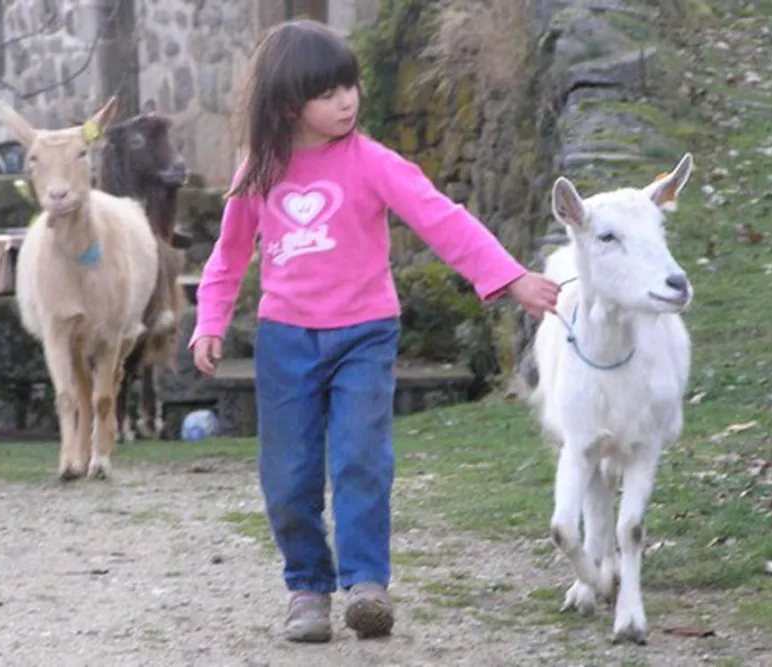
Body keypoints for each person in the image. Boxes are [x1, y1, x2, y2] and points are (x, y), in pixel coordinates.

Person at [190, 18, 559, 643]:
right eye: (329, 92)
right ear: (287, 103)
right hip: (285, 340)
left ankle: (366, 586)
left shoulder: (374, 162)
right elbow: (228, 257)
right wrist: (209, 321)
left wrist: (511, 278)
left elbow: (444, 221)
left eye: (350, 86)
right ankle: (307, 589)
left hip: (364, 333)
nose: (347, 101)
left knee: (361, 459)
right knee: (288, 473)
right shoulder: (258, 170)